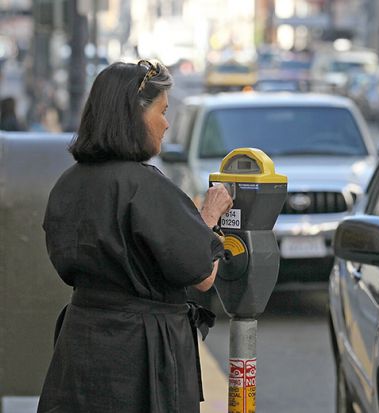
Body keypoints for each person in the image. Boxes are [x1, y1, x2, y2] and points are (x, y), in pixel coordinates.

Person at [37, 60, 233, 413]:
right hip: (140, 356)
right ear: (134, 115)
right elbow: (202, 274)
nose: (166, 123)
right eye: (162, 111)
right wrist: (210, 214)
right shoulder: (145, 187)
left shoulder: (68, 183)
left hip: (80, 344)